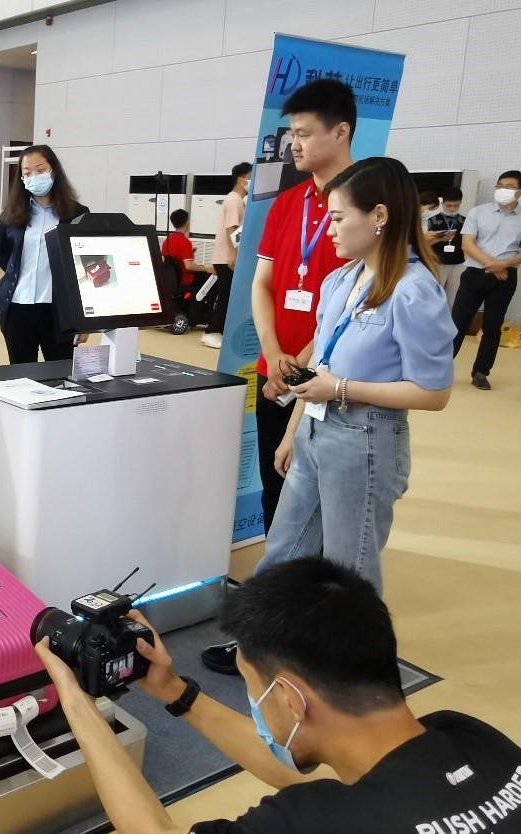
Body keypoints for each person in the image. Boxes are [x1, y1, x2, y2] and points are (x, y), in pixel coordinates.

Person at [38, 556, 521, 834]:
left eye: (253, 689)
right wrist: (177, 693)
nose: (256, 705)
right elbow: (324, 788)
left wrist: (77, 702)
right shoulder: (471, 739)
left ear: (291, 699)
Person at [203, 78, 354, 677]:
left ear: (340, 132)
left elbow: (351, 300)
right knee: (278, 496)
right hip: (278, 373)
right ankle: (284, 617)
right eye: (291, 133)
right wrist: (273, 355)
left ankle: (308, 629)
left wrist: (299, 367)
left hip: (330, 381)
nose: (295, 144)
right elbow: (262, 281)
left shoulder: (364, 203)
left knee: (323, 515)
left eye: (305, 133)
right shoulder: (288, 202)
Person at [259, 156, 455, 596]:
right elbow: (321, 363)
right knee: (283, 552)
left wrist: (341, 389)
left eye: (338, 218)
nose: (330, 230)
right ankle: (265, 633)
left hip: (365, 442)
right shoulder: (340, 280)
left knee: (349, 572)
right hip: (315, 431)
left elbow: (434, 393)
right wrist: (293, 431)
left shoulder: (413, 291)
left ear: (379, 216)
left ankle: (350, 644)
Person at [0, 145, 89, 364]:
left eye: (40, 170)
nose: (34, 177)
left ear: (53, 170)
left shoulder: (77, 214)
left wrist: (83, 320)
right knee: (21, 373)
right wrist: (17, 269)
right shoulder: (11, 214)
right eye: (27, 173)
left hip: (59, 310)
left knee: (61, 372)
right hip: (18, 306)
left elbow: (85, 265)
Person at [450, 171, 521, 390]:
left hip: (505, 277)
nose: (502, 190)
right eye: (500, 185)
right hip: (474, 273)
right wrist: (492, 264)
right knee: (457, 323)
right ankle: (438, 368)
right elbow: (467, 243)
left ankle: (481, 372)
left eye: (509, 186)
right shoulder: (478, 212)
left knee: (492, 326)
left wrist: (504, 265)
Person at [204, 162, 251, 350]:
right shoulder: (234, 200)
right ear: (241, 179)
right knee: (225, 297)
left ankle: (218, 331)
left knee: (227, 296)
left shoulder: (237, 200)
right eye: (250, 177)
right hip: (227, 258)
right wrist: (234, 255)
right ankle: (212, 331)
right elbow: (232, 229)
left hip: (226, 257)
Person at [161, 209, 216, 335]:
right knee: (211, 277)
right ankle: (205, 314)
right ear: (187, 223)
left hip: (171, 280)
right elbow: (188, 266)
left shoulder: (167, 241)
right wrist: (205, 268)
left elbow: (166, 260)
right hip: (185, 280)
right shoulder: (185, 242)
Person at [426, 185, 467, 308]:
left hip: (458, 263)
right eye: (449, 205)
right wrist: (439, 238)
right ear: (442, 203)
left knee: (454, 297)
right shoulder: (432, 220)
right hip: (437, 263)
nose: (452, 208)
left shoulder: (465, 221)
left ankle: (450, 318)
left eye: (456, 205)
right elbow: (425, 242)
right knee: (434, 295)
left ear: (460, 203)